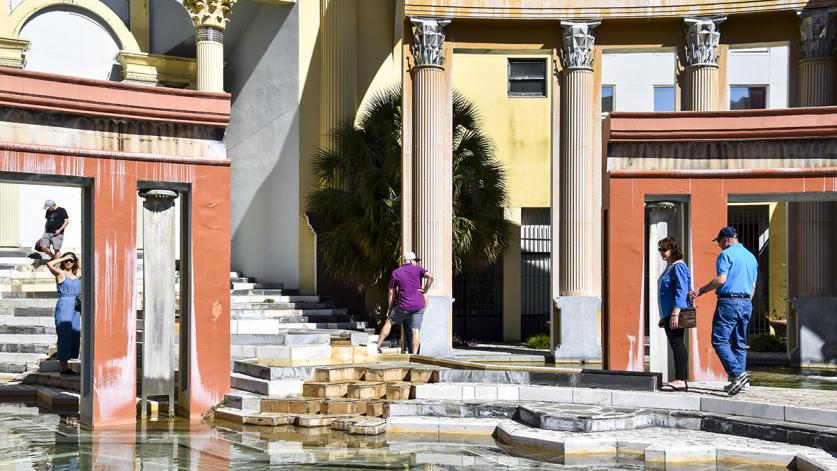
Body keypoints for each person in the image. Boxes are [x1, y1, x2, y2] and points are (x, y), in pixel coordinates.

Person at [690, 226, 758, 396]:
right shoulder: (751, 257)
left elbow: (721, 280)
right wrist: (745, 303)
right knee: (739, 343)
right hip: (746, 303)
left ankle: (738, 373)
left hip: (729, 302)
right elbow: (753, 286)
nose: (719, 245)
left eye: (719, 242)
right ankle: (739, 384)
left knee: (719, 340)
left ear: (726, 239)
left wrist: (701, 290)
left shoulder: (726, 255)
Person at [376, 251, 433, 355]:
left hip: (404, 306)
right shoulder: (418, 269)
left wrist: (389, 308)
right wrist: (425, 289)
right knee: (415, 330)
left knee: (389, 322)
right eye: (415, 261)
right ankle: (415, 356)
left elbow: (391, 292)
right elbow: (431, 276)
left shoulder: (396, 272)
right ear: (411, 261)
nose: (416, 262)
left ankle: (377, 346)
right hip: (418, 306)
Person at [656, 237, 691, 392]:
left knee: (677, 344)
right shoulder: (670, 267)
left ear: (673, 250)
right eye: (660, 250)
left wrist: (675, 314)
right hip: (669, 313)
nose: (662, 253)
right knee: (675, 344)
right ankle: (679, 379)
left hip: (675, 312)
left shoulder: (678, 267)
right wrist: (664, 316)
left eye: (665, 249)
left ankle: (680, 380)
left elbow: (681, 291)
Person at [47, 253, 81, 375]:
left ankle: (67, 364)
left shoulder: (77, 276)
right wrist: (64, 257)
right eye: (66, 261)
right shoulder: (60, 273)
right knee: (64, 333)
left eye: (71, 261)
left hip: (76, 307)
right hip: (65, 304)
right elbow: (49, 264)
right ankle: (63, 367)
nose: (68, 263)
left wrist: (76, 261)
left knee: (75, 333)